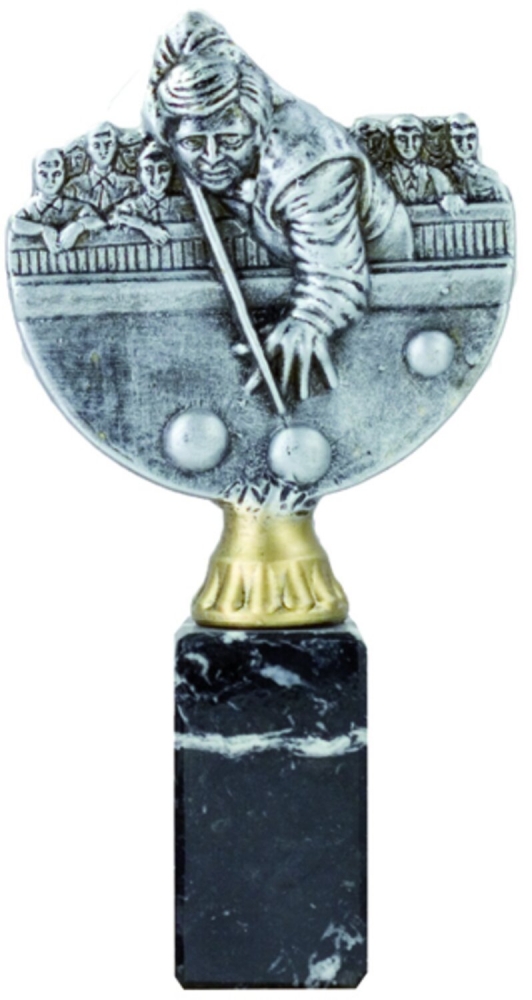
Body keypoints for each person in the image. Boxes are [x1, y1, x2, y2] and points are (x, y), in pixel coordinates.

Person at [143, 12, 413, 401]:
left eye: (230, 140)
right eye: (194, 143)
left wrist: (308, 320)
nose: (212, 159)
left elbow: (336, 277)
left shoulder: (310, 164)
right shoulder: (174, 99)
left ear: (257, 129)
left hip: (388, 273)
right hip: (280, 243)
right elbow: (189, 31)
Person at [11, 148, 105, 252]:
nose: (50, 180)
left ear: (65, 174)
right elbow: (15, 223)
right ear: (35, 175)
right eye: (43, 174)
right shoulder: (31, 208)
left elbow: (99, 221)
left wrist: (78, 226)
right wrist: (42, 229)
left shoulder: (75, 206)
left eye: (56, 174)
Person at [109, 141, 194, 243]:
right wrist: (145, 226)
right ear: (140, 174)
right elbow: (112, 218)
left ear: (172, 173)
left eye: (163, 169)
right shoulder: (133, 206)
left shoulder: (182, 204)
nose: (156, 178)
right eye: (148, 169)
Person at [65, 122, 137, 212]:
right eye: (96, 146)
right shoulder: (75, 187)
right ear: (87, 149)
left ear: (117, 146)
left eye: (108, 144)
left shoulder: (131, 185)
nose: (103, 151)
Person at [385, 115, 455, 205]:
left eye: (415, 137)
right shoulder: (384, 176)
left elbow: (452, 200)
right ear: (391, 141)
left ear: (423, 140)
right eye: (402, 138)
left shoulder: (436, 176)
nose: (409, 145)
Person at [446, 114, 508, 202]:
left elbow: (504, 204)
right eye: (457, 139)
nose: (464, 145)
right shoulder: (438, 177)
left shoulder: (489, 177)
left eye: (470, 137)